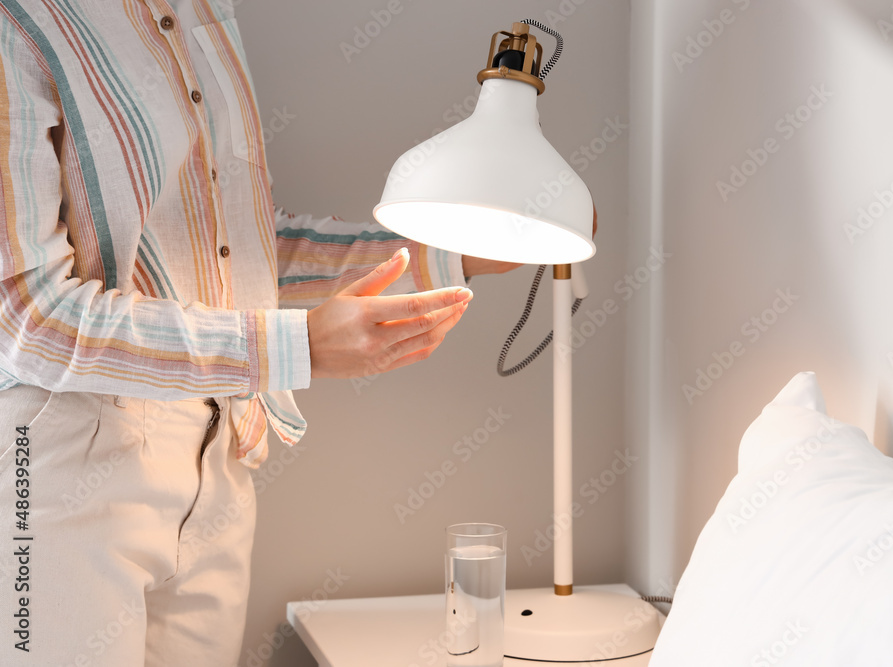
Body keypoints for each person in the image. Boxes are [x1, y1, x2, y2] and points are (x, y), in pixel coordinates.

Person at [0, 1, 517, 664]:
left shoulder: (200, 11)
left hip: (220, 456)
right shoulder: (21, 21)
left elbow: (237, 252)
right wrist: (292, 348)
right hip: (65, 465)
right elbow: (26, 317)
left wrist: (453, 251)